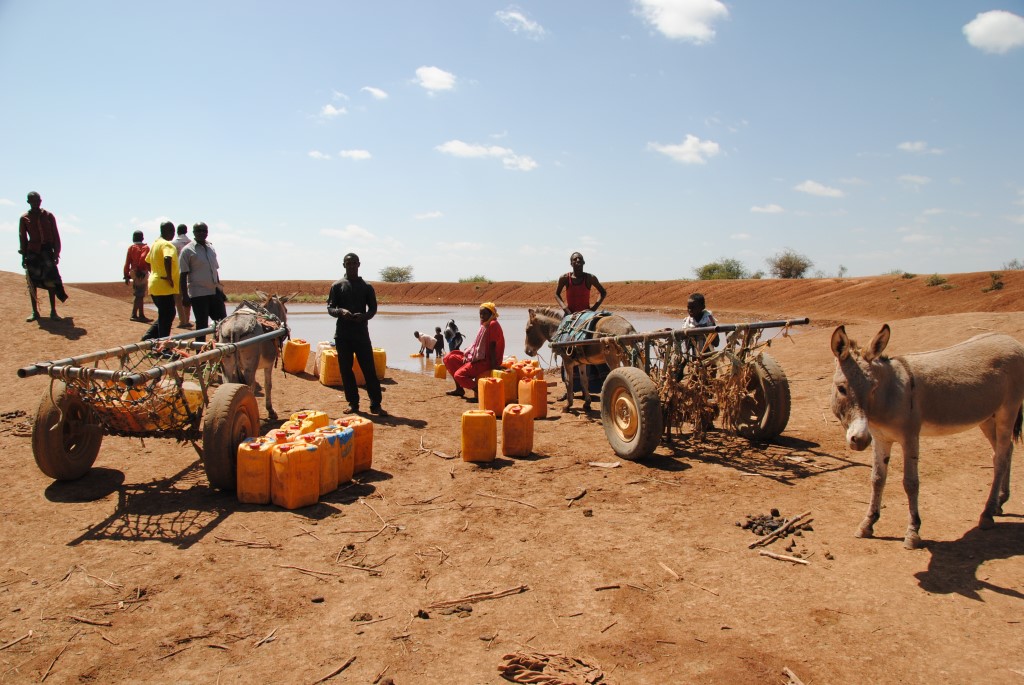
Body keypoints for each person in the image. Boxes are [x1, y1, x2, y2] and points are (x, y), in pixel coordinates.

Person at [327, 253, 386, 416]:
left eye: (354, 263)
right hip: (343, 336)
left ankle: (376, 405)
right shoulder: (337, 286)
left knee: (369, 370)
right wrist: (341, 311)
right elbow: (330, 308)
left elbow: (373, 308)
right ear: (343, 265)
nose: (351, 266)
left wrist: (364, 316)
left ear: (359, 264)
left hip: (361, 335)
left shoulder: (366, 287)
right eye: (348, 263)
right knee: (346, 370)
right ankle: (353, 403)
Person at [19, 191, 69, 322]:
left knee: (51, 281)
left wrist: (56, 252)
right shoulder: (24, 219)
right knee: (32, 282)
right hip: (33, 253)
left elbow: (55, 234)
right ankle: (35, 311)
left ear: (41, 201)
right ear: (28, 202)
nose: (36, 203)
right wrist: (23, 255)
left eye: (38, 200)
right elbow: (22, 238)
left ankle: (53, 311)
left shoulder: (48, 216)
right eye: (33, 201)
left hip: (47, 252)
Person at [442, 303, 505, 399]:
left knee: (459, 375)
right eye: (480, 314)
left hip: (486, 360)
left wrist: (495, 367)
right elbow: (477, 345)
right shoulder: (485, 324)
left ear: (492, 314)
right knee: (449, 358)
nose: (482, 316)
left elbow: (492, 347)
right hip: (478, 357)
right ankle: (459, 389)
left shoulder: (493, 324)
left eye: (485, 314)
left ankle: (481, 394)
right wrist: (469, 354)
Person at [178, 222, 226, 342]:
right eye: (198, 230)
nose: (201, 233)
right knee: (202, 325)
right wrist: (185, 296)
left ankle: (220, 350)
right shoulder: (187, 251)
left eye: (204, 230)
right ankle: (200, 356)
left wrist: (220, 290)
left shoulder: (211, 248)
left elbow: (215, 270)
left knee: (222, 322)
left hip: (214, 292)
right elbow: (183, 275)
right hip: (198, 294)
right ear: (193, 233)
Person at [142, 222, 179, 340]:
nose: (173, 234)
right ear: (167, 231)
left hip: (155, 284)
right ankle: (163, 347)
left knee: (166, 314)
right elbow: (167, 258)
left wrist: (154, 274)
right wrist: (168, 276)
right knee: (167, 315)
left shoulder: (155, 244)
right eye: (172, 231)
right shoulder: (166, 245)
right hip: (164, 285)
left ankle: (149, 337)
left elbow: (147, 261)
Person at [123, 230, 152, 322]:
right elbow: (144, 259)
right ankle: (137, 315)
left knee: (138, 293)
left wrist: (126, 275)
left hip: (133, 271)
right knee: (140, 294)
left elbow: (127, 262)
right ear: (142, 238)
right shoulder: (145, 247)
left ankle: (137, 314)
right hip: (141, 272)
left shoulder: (131, 248)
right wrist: (141, 270)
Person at [171, 223, 193, 328]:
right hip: (191, 273)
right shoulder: (191, 243)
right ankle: (187, 319)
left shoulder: (173, 244)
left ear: (177, 231)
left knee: (178, 297)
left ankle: (182, 321)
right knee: (188, 296)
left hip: (178, 273)